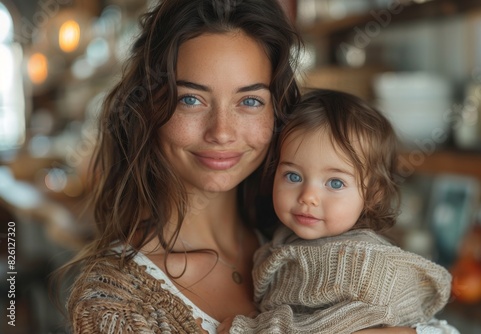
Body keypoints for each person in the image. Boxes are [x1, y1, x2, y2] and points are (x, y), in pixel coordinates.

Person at [60, 0, 453, 333]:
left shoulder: (304, 234)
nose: (222, 132)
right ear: (147, 107)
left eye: (249, 101)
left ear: (277, 113)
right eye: (191, 100)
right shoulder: (113, 300)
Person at [220, 89, 458, 334]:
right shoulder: (279, 243)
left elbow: (333, 328)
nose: (308, 197)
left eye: (335, 183)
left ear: (372, 194)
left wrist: (252, 330)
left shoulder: (364, 264)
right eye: (293, 176)